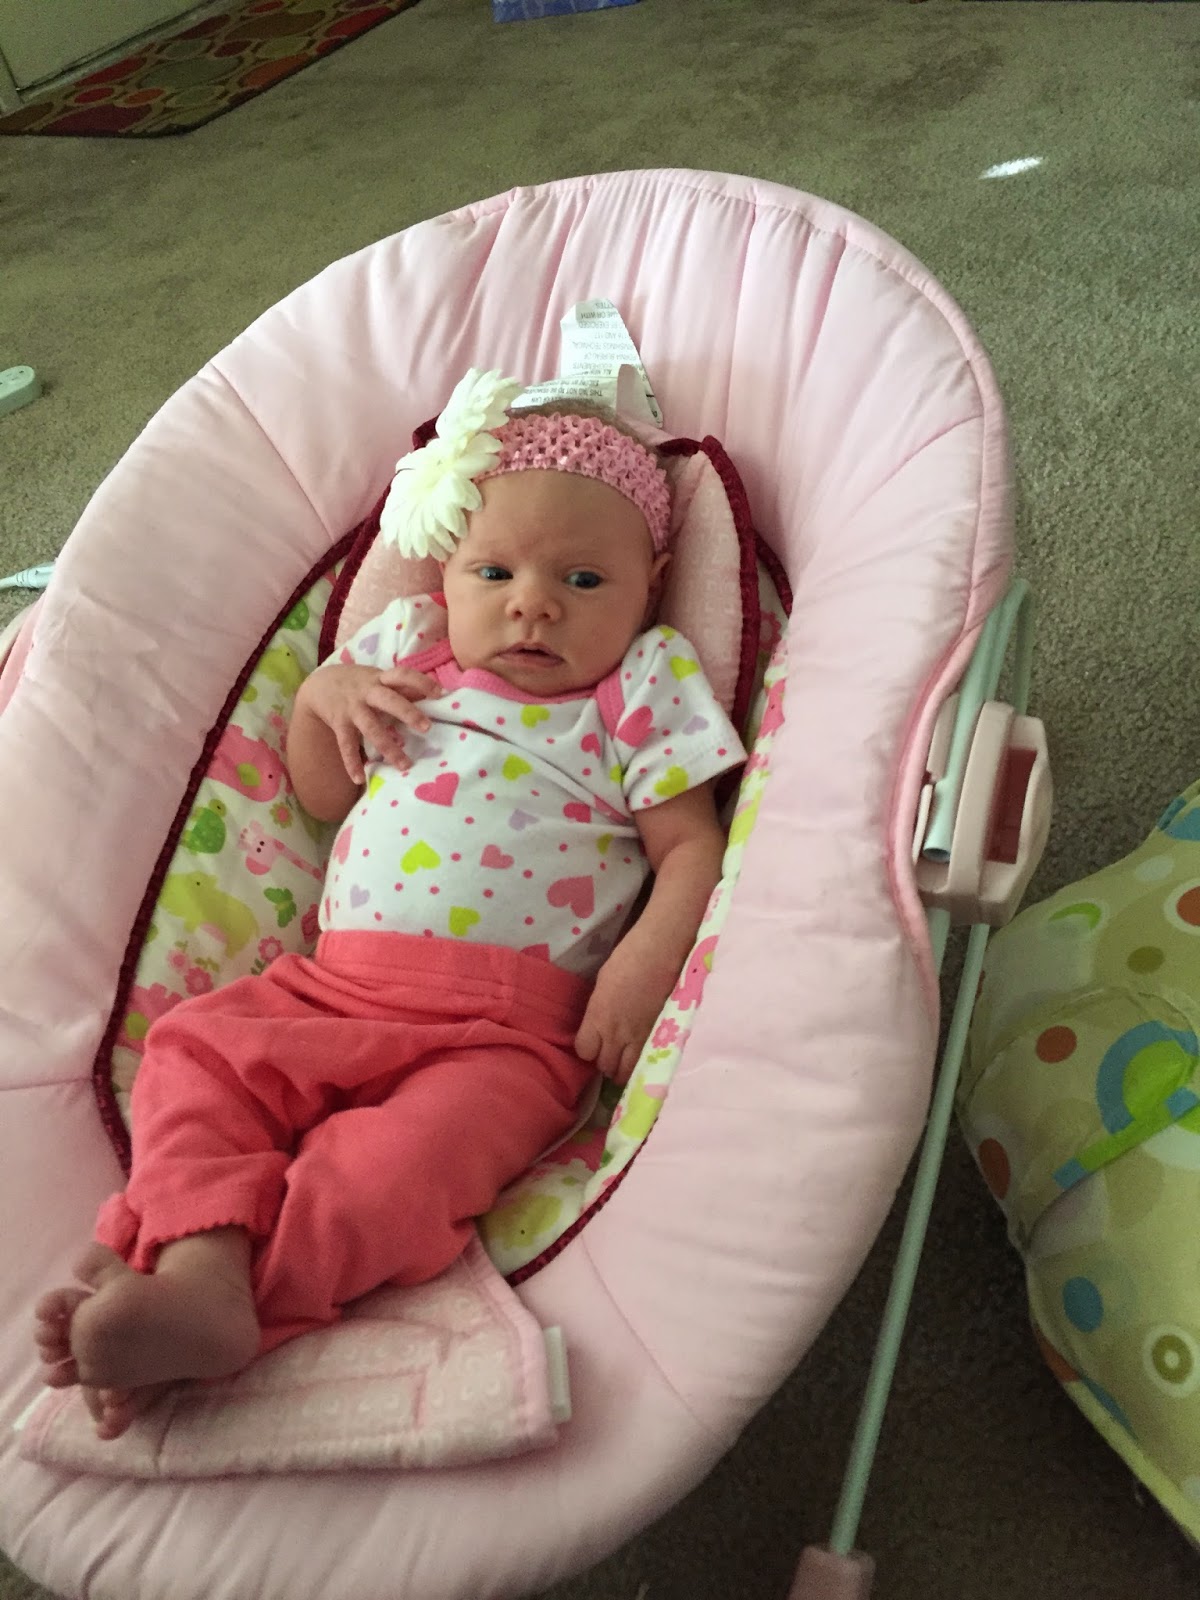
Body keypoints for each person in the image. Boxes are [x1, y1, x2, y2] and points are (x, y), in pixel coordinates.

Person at [33, 369, 747, 1439]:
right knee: (192, 1054)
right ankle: (196, 1258)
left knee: (399, 1173)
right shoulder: (408, 648)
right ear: (446, 570)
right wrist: (326, 696)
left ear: (651, 585)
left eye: (583, 578)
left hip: (509, 1035)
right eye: (494, 571)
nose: (533, 603)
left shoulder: (640, 684)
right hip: (331, 988)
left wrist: (643, 964)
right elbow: (322, 792)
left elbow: (690, 848)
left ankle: (217, 1299)